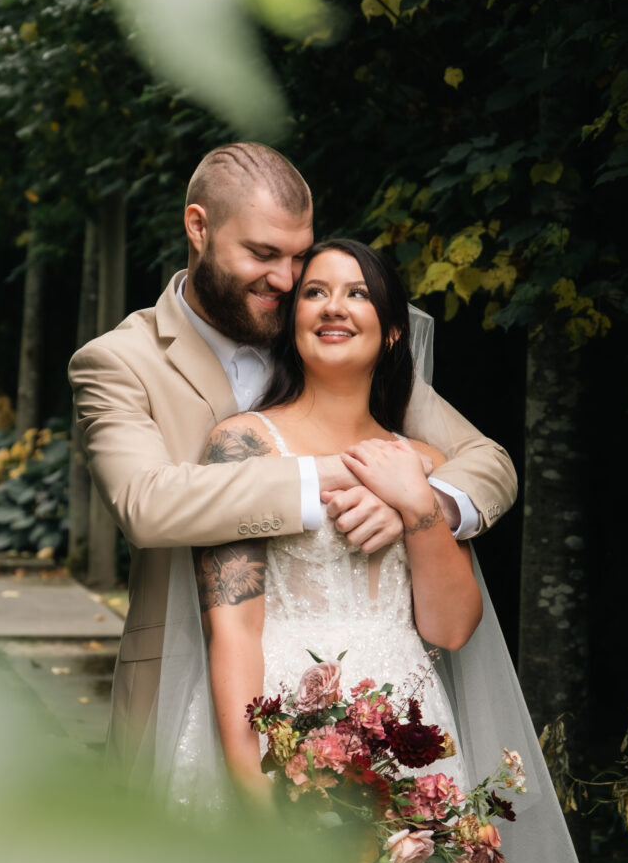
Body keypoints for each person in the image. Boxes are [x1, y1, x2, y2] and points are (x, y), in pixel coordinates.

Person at [161, 239, 612, 863]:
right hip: (275, 724)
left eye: (358, 293)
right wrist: (254, 794)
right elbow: (233, 627)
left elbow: (449, 626)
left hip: (410, 732)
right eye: (314, 292)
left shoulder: (425, 464)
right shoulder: (242, 445)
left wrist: (418, 509)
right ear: (292, 319)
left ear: (393, 329)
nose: (334, 306)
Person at [69, 142, 517, 784]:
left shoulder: (322, 326)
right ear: (198, 227)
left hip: (376, 707)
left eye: (296, 257)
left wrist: (422, 500)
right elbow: (148, 503)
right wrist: (344, 471)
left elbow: (486, 460)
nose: (283, 279)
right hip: (183, 687)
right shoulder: (120, 361)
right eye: (261, 254)